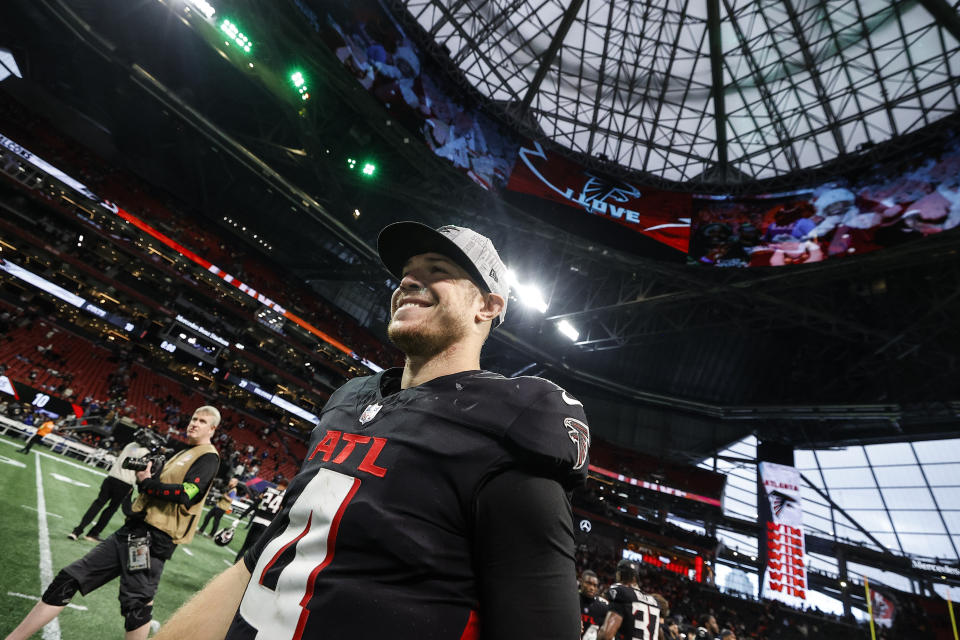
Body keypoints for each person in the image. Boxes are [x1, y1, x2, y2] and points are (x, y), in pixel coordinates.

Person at [154, 222, 591, 640]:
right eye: (406, 274)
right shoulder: (349, 402)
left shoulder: (507, 427)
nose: (409, 282)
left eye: (437, 271)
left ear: (488, 306)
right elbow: (260, 563)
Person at [4, 406, 222, 640]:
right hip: (135, 530)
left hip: (149, 540)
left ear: (212, 428)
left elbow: (186, 494)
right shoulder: (184, 451)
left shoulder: (207, 456)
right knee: (69, 579)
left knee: (136, 606)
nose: (194, 423)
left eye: (201, 421)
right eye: (193, 418)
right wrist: (149, 477)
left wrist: (147, 483)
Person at [68, 437, 150, 542]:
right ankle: (93, 533)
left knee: (98, 504)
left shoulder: (130, 445)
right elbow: (140, 470)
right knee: (111, 509)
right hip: (125, 482)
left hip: (111, 477)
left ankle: (77, 531)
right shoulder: (145, 452)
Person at [598, 560, 663, 640]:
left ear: (619, 574)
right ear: (636, 577)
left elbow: (606, 635)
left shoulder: (621, 592)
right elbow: (660, 636)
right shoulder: (655, 601)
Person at [232, 477, 288, 564]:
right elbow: (281, 513)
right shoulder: (285, 497)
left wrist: (240, 518)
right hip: (267, 525)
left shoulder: (268, 490)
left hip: (257, 520)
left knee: (245, 546)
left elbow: (254, 505)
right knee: (256, 550)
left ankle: (235, 563)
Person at [580, 569, 609, 640]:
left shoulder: (603, 607)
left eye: (595, 585)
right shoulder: (572, 600)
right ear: (581, 582)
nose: (592, 588)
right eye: (588, 583)